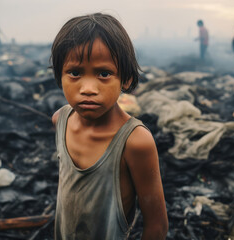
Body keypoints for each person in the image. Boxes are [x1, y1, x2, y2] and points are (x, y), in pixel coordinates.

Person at [51, 13, 168, 240]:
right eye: (75, 73)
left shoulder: (135, 142)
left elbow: (157, 226)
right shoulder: (60, 121)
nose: (88, 88)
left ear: (124, 79)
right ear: (59, 75)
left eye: (104, 74)